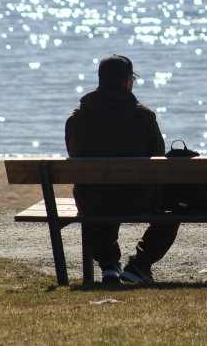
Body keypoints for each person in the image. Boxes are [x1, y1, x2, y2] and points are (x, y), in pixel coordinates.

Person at [65, 54, 179, 284]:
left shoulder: (77, 116)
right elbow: (158, 161)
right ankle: (140, 265)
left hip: (90, 201)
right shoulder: (142, 114)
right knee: (176, 204)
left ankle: (108, 264)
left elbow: (74, 154)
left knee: (100, 190)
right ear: (127, 81)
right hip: (134, 199)